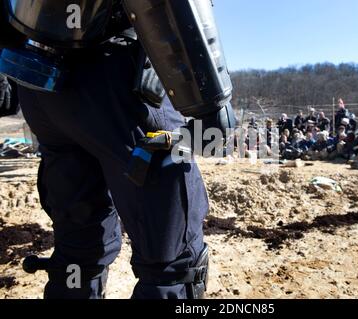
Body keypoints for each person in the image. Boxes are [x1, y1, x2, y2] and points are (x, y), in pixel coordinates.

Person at [0, 0, 236, 299]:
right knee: (171, 262)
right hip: (113, 78)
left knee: (78, 252)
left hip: (42, 82)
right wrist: (211, 98)